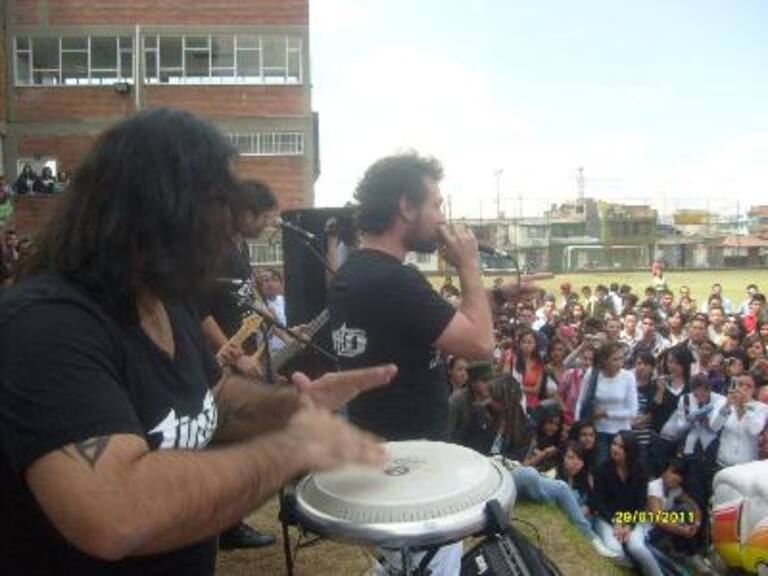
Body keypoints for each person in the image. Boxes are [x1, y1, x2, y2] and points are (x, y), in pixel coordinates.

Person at [0, 108, 398, 575]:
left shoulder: (166, 301)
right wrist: (292, 448)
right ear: (153, 208)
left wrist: (296, 405)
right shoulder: (47, 324)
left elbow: (214, 398)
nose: (229, 226)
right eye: (214, 203)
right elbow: (116, 511)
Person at [328, 152, 497, 575]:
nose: (442, 217)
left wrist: (498, 295)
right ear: (406, 206)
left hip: (384, 458)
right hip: (415, 474)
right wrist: (469, 265)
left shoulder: (355, 272)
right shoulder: (394, 280)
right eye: (436, 204)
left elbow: (424, 324)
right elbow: (481, 343)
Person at [591, 431, 659, 573]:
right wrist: (615, 522)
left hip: (631, 518)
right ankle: (634, 568)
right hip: (607, 518)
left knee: (637, 548)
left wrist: (629, 525)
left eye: (621, 447)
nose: (615, 449)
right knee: (615, 550)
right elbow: (598, 502)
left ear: (630, 451)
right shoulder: (602, 470)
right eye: (614, 444)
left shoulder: (640, 471)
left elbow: (640, 504)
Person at [575, 342, 638, 465]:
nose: (619, 363)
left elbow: (632, 411)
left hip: (621, 432)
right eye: (615, 359)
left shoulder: (628, 377)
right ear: (604, 360)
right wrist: (579, 425)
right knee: (599, 465)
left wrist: (606, 413)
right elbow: (581, 401)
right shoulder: (592, 374)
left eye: (621, 359)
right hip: (597, 431)